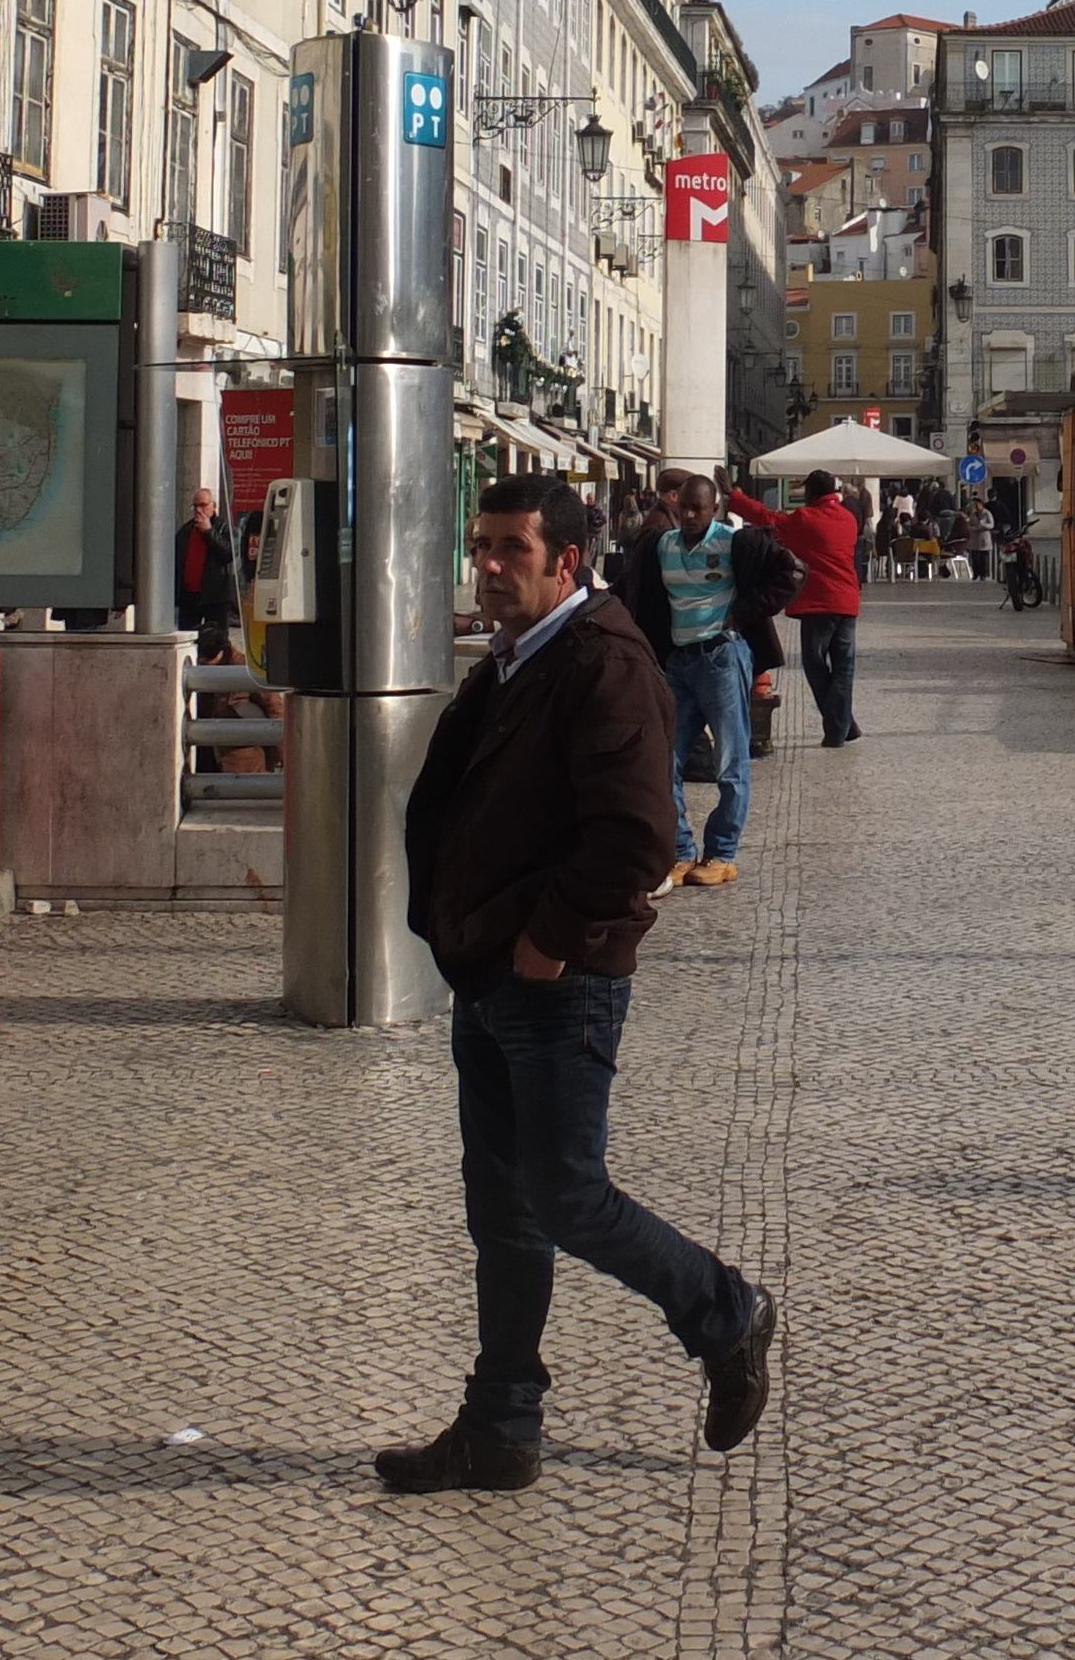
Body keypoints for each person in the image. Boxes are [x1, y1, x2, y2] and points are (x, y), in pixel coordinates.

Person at [380, 474, 776, 1495]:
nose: (490, 568)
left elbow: (639, 834)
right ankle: (500, 1426)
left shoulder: (602, 661)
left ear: (567, 560)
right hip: (492, 973)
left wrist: (547, 942)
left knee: (566, 1195)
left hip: (557, 982)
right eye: (480, 547)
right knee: (502, 1211)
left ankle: (724, 1313)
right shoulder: (519, 660)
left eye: (512, 550)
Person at [607, 469, 800, 890]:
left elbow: (791, 574)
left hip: (722, 658)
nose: (690, 514)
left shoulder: (735, 543)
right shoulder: (661, 545)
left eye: (699, 508)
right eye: (685, 506)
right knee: (664, 760)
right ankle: (680, 851)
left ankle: (722, 854)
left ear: (716, 509)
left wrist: (741, 614)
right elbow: (632, 589)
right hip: (679, 662)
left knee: (730, 762)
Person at [734, 469, 865, 745]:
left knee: (814, 663)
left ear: (811, 493)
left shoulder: (806, 519)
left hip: (819, 602)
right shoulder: (849, 519)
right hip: (848, 601)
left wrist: (733, 497)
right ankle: (846, 724)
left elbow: (767, 518)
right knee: (844, 666)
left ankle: (836, 729)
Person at [176, 485, 243, 662]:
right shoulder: (186, 531)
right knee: (188, 639)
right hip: (190, 596)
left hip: (216, 596)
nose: (199, 510)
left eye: (203, 505)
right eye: (195, 506)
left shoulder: (224, 527)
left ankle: (222, 678)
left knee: (218, 642)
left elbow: (228, 553)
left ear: (213, 506)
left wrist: (209, 533)